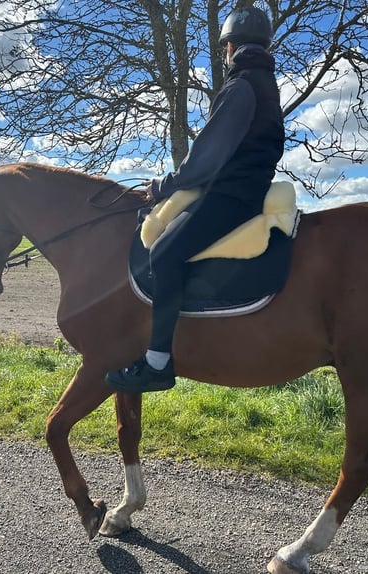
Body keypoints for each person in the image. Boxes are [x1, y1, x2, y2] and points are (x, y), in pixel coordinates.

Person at [105, 5, 285, 393]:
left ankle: (157, 364)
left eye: (224, 49)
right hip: (250, 190)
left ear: (230, 47)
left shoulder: (241, 86)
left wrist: (164, 187)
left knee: (164, 253)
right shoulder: (266, 85)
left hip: (230, 197)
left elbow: (206, 156)